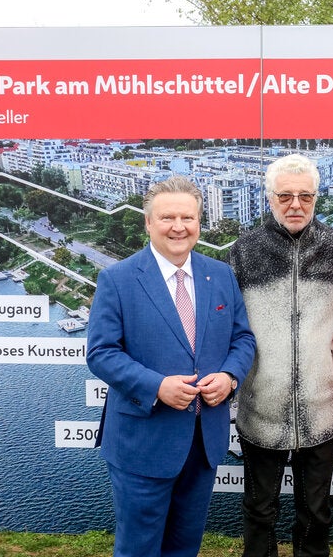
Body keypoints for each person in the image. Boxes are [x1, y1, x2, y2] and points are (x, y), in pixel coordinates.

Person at [86, 176, 256, 557]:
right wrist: (156, 386)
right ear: (147, 222)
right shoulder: (118, 279)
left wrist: (230, 377)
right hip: (143, 443)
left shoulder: (222, 275)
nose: (178, 227)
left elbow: (243, 339)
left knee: (185, 546)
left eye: (188, 217)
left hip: (202, 442)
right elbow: (101, 352)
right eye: (167, 218)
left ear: (199, 222)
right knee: (139, 548)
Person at [229, 154, 333, 557]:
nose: (295, 204)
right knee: (259, 509)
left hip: (323, 406)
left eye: (305, 195)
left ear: (317, 197)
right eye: (285, 196)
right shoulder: (243, 252)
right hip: (261, 403)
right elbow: (225, 325)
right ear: (269, 198)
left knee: (316, 512)